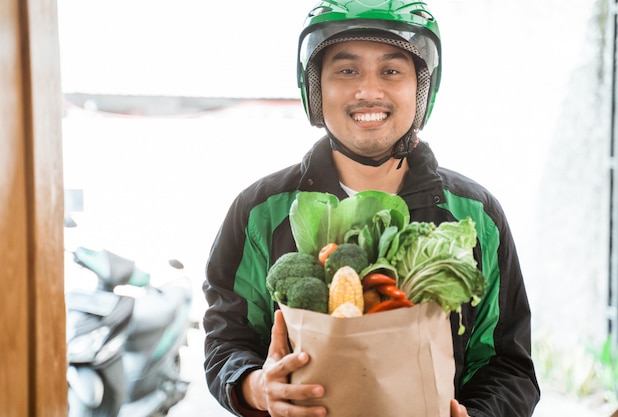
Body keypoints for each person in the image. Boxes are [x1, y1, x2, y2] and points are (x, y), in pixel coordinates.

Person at [202, 1, 541, 416]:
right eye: (346, 71)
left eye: (391, 71)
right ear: (315, 88)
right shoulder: (260, 211)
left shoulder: (475, 214)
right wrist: (256, 388)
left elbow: (510, 364)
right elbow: (226, 340)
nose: (368, 91)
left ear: (421, 87)